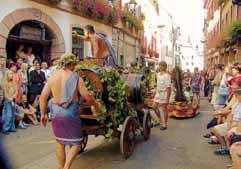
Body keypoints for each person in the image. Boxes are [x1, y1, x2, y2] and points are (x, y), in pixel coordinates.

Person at [39, 54, 100, 169]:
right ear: (71, 64)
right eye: (75, 65)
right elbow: (87, 96)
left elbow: (42, 97)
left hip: (55, 113)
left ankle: (61, 167)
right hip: (70, 113)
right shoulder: (76, 77)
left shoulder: (52, 77)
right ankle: (66, 167)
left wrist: (43, 114)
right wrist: (95, 104)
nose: (75, 67)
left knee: (60, 142)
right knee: (77, 143)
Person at [212, 80, 241, 155]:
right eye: (233, 88)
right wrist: (228, 122)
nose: (233, 90)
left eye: (235, 88)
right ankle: (226, 148)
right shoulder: (237, 100)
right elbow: (231, 113)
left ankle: (230, 152)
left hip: (237, 125)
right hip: (232, 122)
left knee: (227, 133)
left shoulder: (237, 98)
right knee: (216, 129)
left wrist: (232, 125)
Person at [154, 61, 171, 130]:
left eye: (161, 65)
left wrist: (167, 98)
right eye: (159, 65)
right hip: (158, 92)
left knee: (163, 109)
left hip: (164, 93)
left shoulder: (167, 76)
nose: (159, 67)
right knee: (154, 107)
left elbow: (168, 88)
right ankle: (160, 120)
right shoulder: (158, 74)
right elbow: (156, 83)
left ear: (164, 67)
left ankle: (164, 124)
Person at [2, 70, 16, 135]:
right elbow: (5, 94)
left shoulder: (13, 82)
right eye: (10, 74)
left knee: (13, 114)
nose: (11, 75)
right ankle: (5, 128)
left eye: (12, 74)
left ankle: (12, 128)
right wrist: (10, 100)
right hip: (8, 101)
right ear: (6, 75)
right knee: (9, 115)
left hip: (13, 99)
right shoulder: (4, 83)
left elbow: (16, 91)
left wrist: (13, 97)